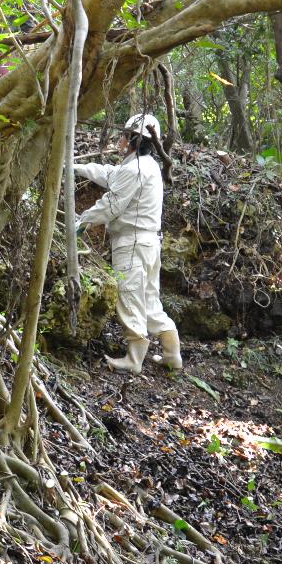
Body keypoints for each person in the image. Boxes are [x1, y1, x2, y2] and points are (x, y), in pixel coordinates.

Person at [76, 112, 181, 374]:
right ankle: (172, 355)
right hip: (148, 243)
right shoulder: (147, 166)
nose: (122, 140)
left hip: (132, 243)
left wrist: (81, 222)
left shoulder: (136, 168)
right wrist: (75, 167)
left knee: (131, 295)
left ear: (136, 140)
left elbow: (112, 205)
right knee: (149, 299)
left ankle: (134, 359)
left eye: (126, 136)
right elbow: (112, 174)